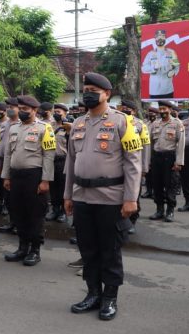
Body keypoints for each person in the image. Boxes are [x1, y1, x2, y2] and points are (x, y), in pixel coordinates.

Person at [63, 73, 142, 321]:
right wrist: (67, 195)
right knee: (88, 250)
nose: (88, 93)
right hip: (82, 197)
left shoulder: (123, 122)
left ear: (107, 94)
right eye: (85, 88)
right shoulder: (77, 123)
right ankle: (93, 294)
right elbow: (71, 162)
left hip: (110, 198)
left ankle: (110, 298)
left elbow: (133, 163)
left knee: (110, 251)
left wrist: (131, 198)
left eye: (94, 89)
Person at [1, 95, 55, 266]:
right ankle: (22, 247)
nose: (22, 111)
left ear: (34, 110)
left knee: (35, 214)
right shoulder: (14, 128)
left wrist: (45, 180)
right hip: (16, 176)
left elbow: (49, 156)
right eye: (21, 109)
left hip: (34, 176)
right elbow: (8, 153)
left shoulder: (44, 128)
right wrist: (6, 176)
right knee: (18, 213)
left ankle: (35, 250)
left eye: (26, 109)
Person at [149, 101, 185, 222]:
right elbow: (150, 143)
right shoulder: (155, 124)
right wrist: (149, 160)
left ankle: (170, 211)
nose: (162, 111)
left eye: (164, 109)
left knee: (170, 185)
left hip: (170, 158)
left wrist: (179, 162)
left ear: (169, 109)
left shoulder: (177, 123)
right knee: (157, 185)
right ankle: (159, 210)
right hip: (157, 157)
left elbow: (181, 144)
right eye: (161, 109)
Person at [118, 100, 151, 234]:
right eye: (123, 108)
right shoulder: (117, 121)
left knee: (133, 194)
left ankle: (132, 221)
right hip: (118, 165)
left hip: (134, 165)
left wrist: (144, 167)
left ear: (134, 111)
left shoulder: (140, 125)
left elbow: (146, 147)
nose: (125, 110)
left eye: (128, 109)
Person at [0, 97, 19, 228]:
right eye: (8, 107)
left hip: (15, 163)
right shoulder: (4, 124)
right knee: (7, 195)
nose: (9, 110)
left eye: (12, 107)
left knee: (16, 197)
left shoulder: (21, 123)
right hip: (3, 161)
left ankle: (19, 224)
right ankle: (12, 222)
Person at [47, 103, 70, 223]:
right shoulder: (50, 126)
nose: (56, 114)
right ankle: (54, 209)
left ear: (65, 113)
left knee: (62, 187)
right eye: (55, 112)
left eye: (59, 112)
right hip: (51, 159)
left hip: (63, 160)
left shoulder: (69, 127)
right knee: (53, 186)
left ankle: (63, 212)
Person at [141, 29, 180, 99]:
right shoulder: (150, 54)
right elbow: (143, 68)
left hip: (168, 89)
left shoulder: (172, 52)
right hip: (154, 90)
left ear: (165, 38)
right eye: (158, 36)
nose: (160, 38)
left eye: (162, 36)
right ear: (155, 39)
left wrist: (173, 72)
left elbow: (177, 66)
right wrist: (153, 68)